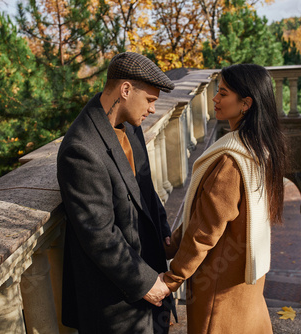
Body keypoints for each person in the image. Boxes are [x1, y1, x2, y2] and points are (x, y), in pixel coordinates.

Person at [57, 52, 176, 334]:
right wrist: (145, 282)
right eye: (149, 100)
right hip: (115, 303)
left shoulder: (131, 127)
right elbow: (99, 236)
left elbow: (146, 188)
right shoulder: (80, 149)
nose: (152, 110)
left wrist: (163, 230)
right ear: (125, 90)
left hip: (149, 279)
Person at [163, 63, 287, 333]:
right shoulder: (261, 148)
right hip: (245, 279)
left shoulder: (231, 160)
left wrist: (172, 278)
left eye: (223, 93)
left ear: (246, 103)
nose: (215, 99)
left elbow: (205, 230)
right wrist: (171, 245)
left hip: (218, 286)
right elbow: (206, 213)